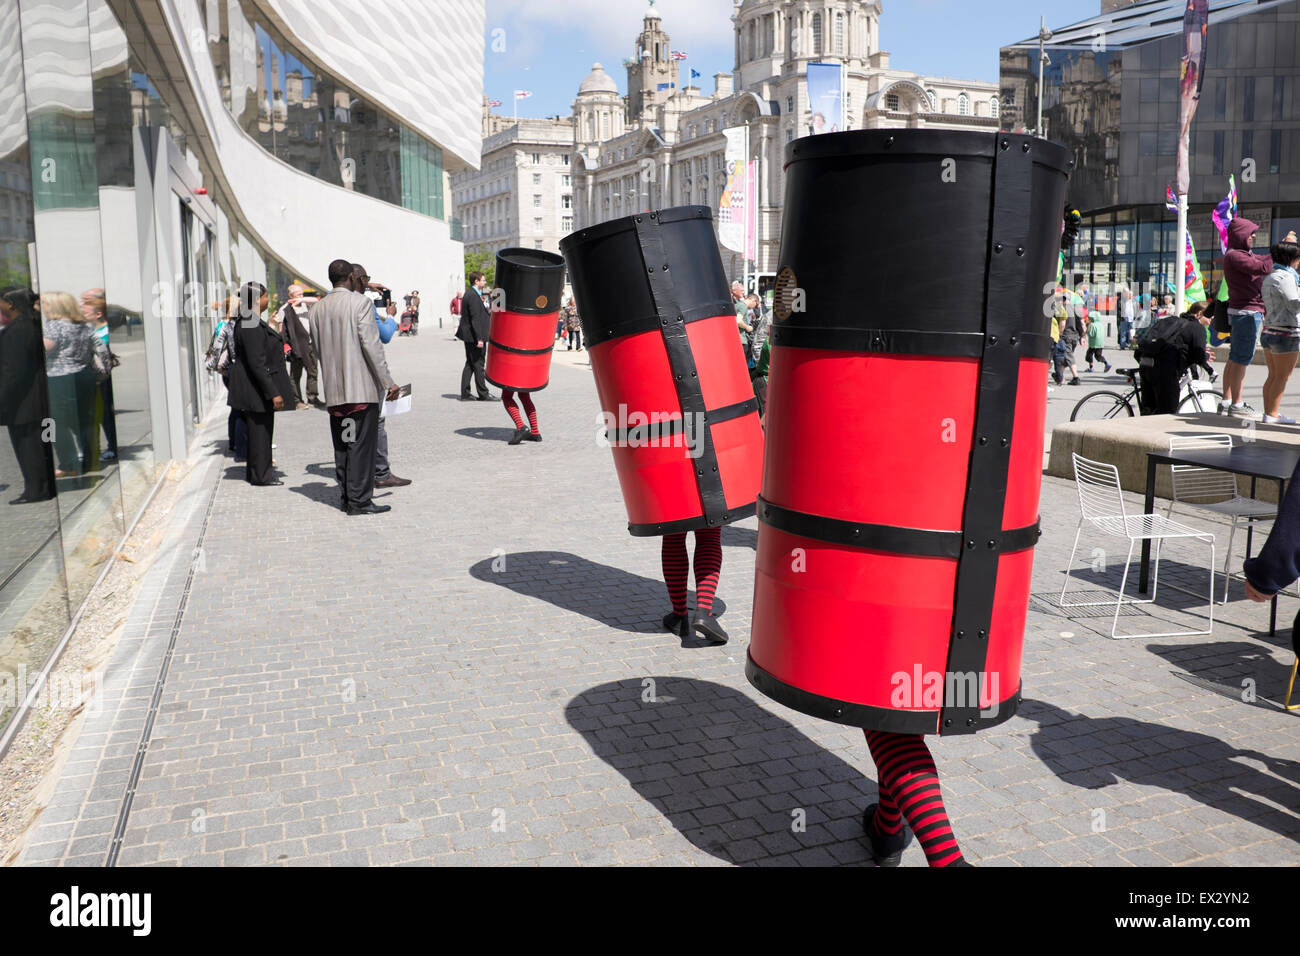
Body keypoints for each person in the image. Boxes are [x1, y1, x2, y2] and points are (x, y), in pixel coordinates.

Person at [310, 259, 400, 515]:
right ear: (350, 277)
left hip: (335, 392)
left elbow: (317, 349)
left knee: (343, 446)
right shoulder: (360, 303)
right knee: (361, 447)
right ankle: (360, 502)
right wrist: (388, 382)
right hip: (360, 389)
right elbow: (373, 347)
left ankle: (347, 497)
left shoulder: (317, 309)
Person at [226, 281, 294, 485]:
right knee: (260, 434)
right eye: (265, 296)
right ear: (257, 299)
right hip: (255, 389)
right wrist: (273, 393)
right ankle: (261, 476)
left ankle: (258, 471)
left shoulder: (250, 319)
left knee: (261, 432)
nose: (267, 300)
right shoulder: (250, 322)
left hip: (254, 388)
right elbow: (257, 362)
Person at [350, 264, 411, 489]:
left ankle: (352, 472)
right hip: (366, 375)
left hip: (342, 379)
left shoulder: (330, 302)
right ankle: (381, 473)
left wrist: (365, 284)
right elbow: (381, 338)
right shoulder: (364, 305)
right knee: (376, 423)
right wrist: (391, 317)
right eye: (365, 279)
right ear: (357, 280)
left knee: (348, 426)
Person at [40, 291, 106, 477]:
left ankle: (68, 463)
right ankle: (91, 460)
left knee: (56, 423)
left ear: (55, 306)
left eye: (45, 304)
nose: (43, 308)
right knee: (85, 421)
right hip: (84, 375)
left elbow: (45, 349)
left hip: (59, 378)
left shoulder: (54, 325)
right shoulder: (83, 325)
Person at [1, 287, 55, 504]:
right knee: (39, 445)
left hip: (23, 403)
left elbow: (12, 372)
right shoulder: (30, 325)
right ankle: (42, 487)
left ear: (10, 304)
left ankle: (36, 490)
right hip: (35, 400)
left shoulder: (17, 330)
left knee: (28, 447)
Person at [1220, 218, 1275, 416]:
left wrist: (1275, 253)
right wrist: (1279, 252)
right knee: (1241, 359)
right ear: (1241, 234)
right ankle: (1237, 404)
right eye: (1251, 232)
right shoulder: (1235, 256)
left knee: (1234, 358)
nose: (1254, 236)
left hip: (1242, 312)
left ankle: (1227, 401)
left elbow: (1260, 261)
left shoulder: (1238, 254)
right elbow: (1263, 267)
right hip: (1247, 312)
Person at [1136, 301, 1214, 415]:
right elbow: (1198, 355)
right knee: (1167, 412)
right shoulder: (1197, 328)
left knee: (1148, 411)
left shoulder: (1170, 321)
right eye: (1210, 317)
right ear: (1200, 313)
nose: (1211, 320)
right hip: (1166, 371)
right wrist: (1206, 356)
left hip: (1146, 365)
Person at [1258, 239, 1300, 424]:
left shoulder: (1270, 275)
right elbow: (1293, 304)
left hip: (1270, 330)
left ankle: (1269, 412)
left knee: (1273, 376)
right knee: (1282, 377)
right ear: (1291, 258)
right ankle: (1273, 414)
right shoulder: (1286, 277)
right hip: (1286, 332)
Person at [279, 283, 320, 408]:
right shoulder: (285, 309)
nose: (301, 296)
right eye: (298, 294)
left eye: (302, 294)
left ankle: (313, 398)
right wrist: (286, 345)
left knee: (313, 371)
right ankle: (297, 401)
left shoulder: (304, 304)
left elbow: (316, 301)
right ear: (290, 295)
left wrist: (301, 299)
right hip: (296, 345)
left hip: (309, 343)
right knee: (295, 375)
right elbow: (282, 329)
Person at [457, 271, 494, 401]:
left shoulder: (474, 294)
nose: (484, 283)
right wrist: (479, 338)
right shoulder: (472, 295)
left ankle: (465, 393)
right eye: (483, 280)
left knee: (470, 364)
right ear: (476, 281)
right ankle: (483, 394)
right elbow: (475, 318)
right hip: (474, 337)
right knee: (478, 364)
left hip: (471, 336)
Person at [1051, 293, 1081, 386]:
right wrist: (1082, 335)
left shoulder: (1062, 309)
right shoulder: (1075, 308)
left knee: (1068, 356)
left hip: (1066, 335)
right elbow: (1081, 322)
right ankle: (1059, 376)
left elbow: (1062, 323)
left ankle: (1076, 377)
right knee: (1064, 357)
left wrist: (1059, 334)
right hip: (1074, 335)